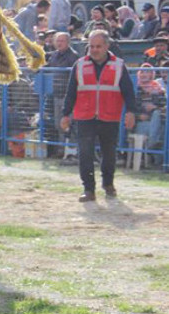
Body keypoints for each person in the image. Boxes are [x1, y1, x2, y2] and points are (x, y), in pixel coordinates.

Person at [61, 30, 137, 202]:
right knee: (85, 153)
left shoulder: (119, 65)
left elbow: (128, 91)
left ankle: (108, 184)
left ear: (107, 46)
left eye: (98, 46)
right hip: (84, 116)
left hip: (109, 116)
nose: (94, 50)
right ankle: (89, 189)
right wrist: (65, 114)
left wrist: (131, 112)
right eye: (92, 46)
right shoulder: (79, 65)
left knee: (109, 154)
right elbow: (71, 92)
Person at [132, 64, 165, 158]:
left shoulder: (159, 90)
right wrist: (139, 116)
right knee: (160, 132)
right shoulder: (135, 89)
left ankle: (151, 148)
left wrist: (155, 108)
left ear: (152, 74)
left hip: (157, 122)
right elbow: (129, 109)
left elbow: (164, 108)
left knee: (157, 116)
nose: (143, 74)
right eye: (142, 72)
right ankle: (152, 149)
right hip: (142, 123)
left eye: (147, 72)